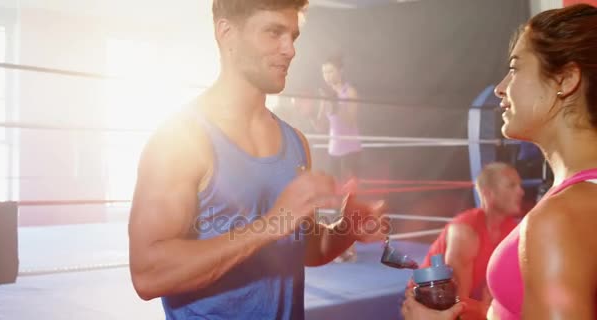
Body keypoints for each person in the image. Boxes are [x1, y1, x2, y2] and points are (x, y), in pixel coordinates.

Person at [127, 1, 387, 319]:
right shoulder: (181, 139)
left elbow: (306, 249)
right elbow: (147, 274)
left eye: (293, 35)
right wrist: (270, 225)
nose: (290, 49)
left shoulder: (295, 141)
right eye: (273, 32)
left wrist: (347, 227)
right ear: (227, 34)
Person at [402, 3, 597, 320]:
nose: (500, 88)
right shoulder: (574, 199)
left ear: (565, 79)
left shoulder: (560, 217)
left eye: (515, 68)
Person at [409, 162, 523, 318]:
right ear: (488, 193)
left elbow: (499, 293)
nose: (521, 192)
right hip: (429, 309)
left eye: (519, 185)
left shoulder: (511, 231)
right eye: (511, 186)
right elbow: (457, 305)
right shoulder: (465, 232)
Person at [313, 54, 363, 262]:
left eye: (331, 71)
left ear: (340, 71)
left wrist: (335, 104)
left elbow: (351, 120)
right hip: (333, 150)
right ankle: (334, 246)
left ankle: (350, 248)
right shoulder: (326, 94)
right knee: (331, 198)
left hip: (350, 151)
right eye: (324, 72)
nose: (327, 75)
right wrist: (319, 108)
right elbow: (321, 127)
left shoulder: (349, 92)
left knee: (348, 201)